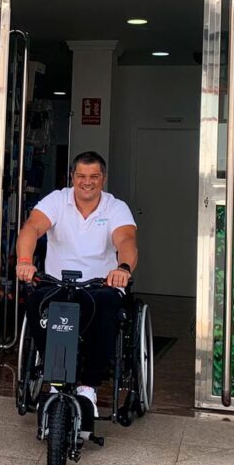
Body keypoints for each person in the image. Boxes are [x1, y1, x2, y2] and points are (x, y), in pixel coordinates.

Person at [15, 151, 139, 416]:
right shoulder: (57, 200)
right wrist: (24, 261)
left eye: (94, 176)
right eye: (81, 176)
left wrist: (123, 268)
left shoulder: (115, 207)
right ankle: (54, 375)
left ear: (103, 178)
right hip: (57, 282)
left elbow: (126, 240)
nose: (87, 182)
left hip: (100, 286)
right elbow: (32, 228)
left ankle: (88, 387)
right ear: (72, 177)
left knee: (107, 309)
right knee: (36, 302)